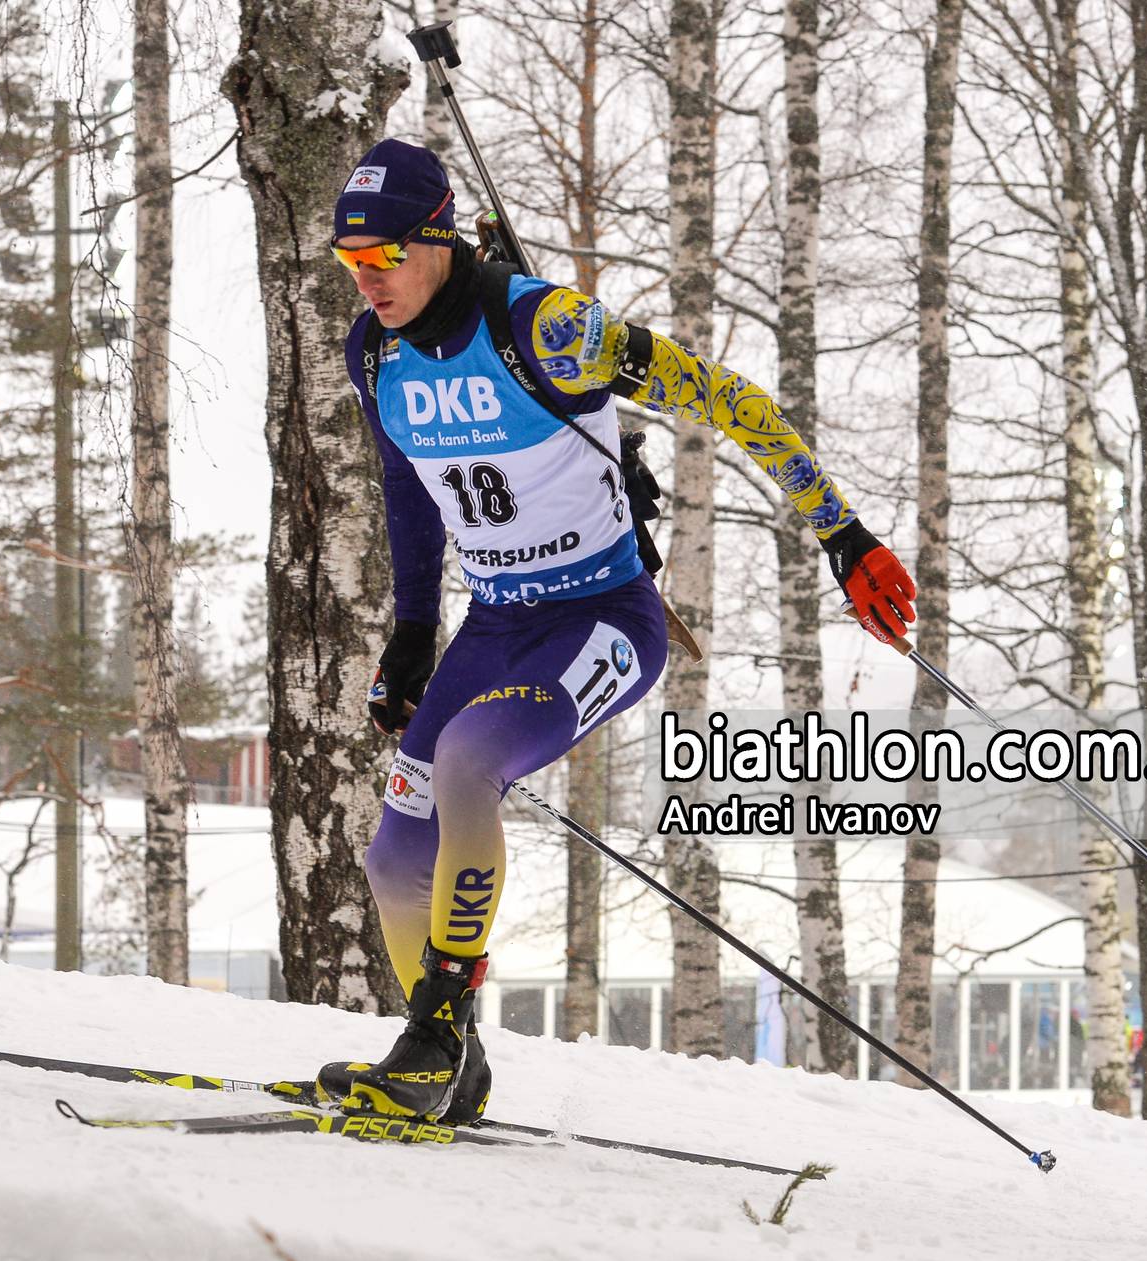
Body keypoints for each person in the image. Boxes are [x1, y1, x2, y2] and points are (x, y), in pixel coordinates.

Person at [315, 139, 917, 1123]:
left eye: (384, 257)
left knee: (470, 762)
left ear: (438, 241)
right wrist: (413, 635)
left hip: (602, 616)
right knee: (391, 858)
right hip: (496, 624)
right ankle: (450, 1067)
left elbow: (734, 400)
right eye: (350, 262)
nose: (367, 279)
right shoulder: (373, 351)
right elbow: (408, 492)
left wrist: (843, 534)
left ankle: (430, 1035)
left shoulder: (547, 328)